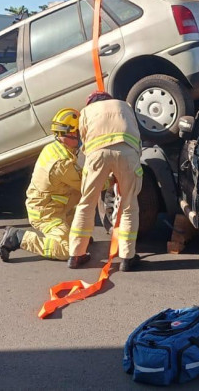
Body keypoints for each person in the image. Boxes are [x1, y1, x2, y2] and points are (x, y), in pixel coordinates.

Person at [68, 91, 144, 271]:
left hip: (97, 155)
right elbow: (137, 136)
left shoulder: (86, 111)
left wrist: (103, 172)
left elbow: (84, 141)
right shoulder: (125, 106)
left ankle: (76, 255)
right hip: (127, 153)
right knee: (129, 205)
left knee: (86, 203)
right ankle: (127, 257)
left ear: (91, 102)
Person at [0, 109, 83, 262]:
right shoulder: (62, 163)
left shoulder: (55, 148)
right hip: (47, 214)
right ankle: (18, 237)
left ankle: (70, 233)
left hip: (56, 206)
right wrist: (111, 179)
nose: (82, 136)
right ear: (68, 134)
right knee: (67, 250)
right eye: (79, 132)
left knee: (82, 231)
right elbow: (87, 185)